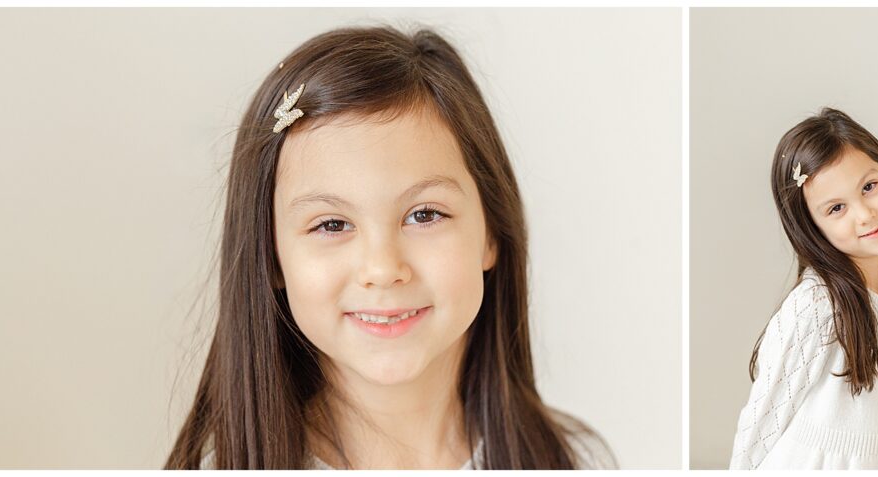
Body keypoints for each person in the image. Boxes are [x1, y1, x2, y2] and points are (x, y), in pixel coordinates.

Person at [163, 25, 614, 470]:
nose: (383, 268)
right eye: (332, 224)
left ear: (491, 233)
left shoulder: (573, 460)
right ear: (271, 257)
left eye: (424, 215)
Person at [729, 108, 878, 470]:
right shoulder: (817, 304)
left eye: (869, 187)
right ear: (812, 228)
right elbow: (760, 426)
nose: (864, 214)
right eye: (836, 208)